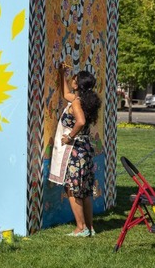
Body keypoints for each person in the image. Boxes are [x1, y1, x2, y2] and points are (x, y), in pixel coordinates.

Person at [57, 65, 101, 237]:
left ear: (78, 84)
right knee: (85, 190)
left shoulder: (76, 102)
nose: (72, 80)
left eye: (74, 78)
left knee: (72, 189)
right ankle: (89, 227)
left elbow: (80, 121)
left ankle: (80, 228)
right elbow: (65, 94)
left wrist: (69, 137)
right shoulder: (85, 100)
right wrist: (63, 75)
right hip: (86, 149)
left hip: (76, 151)